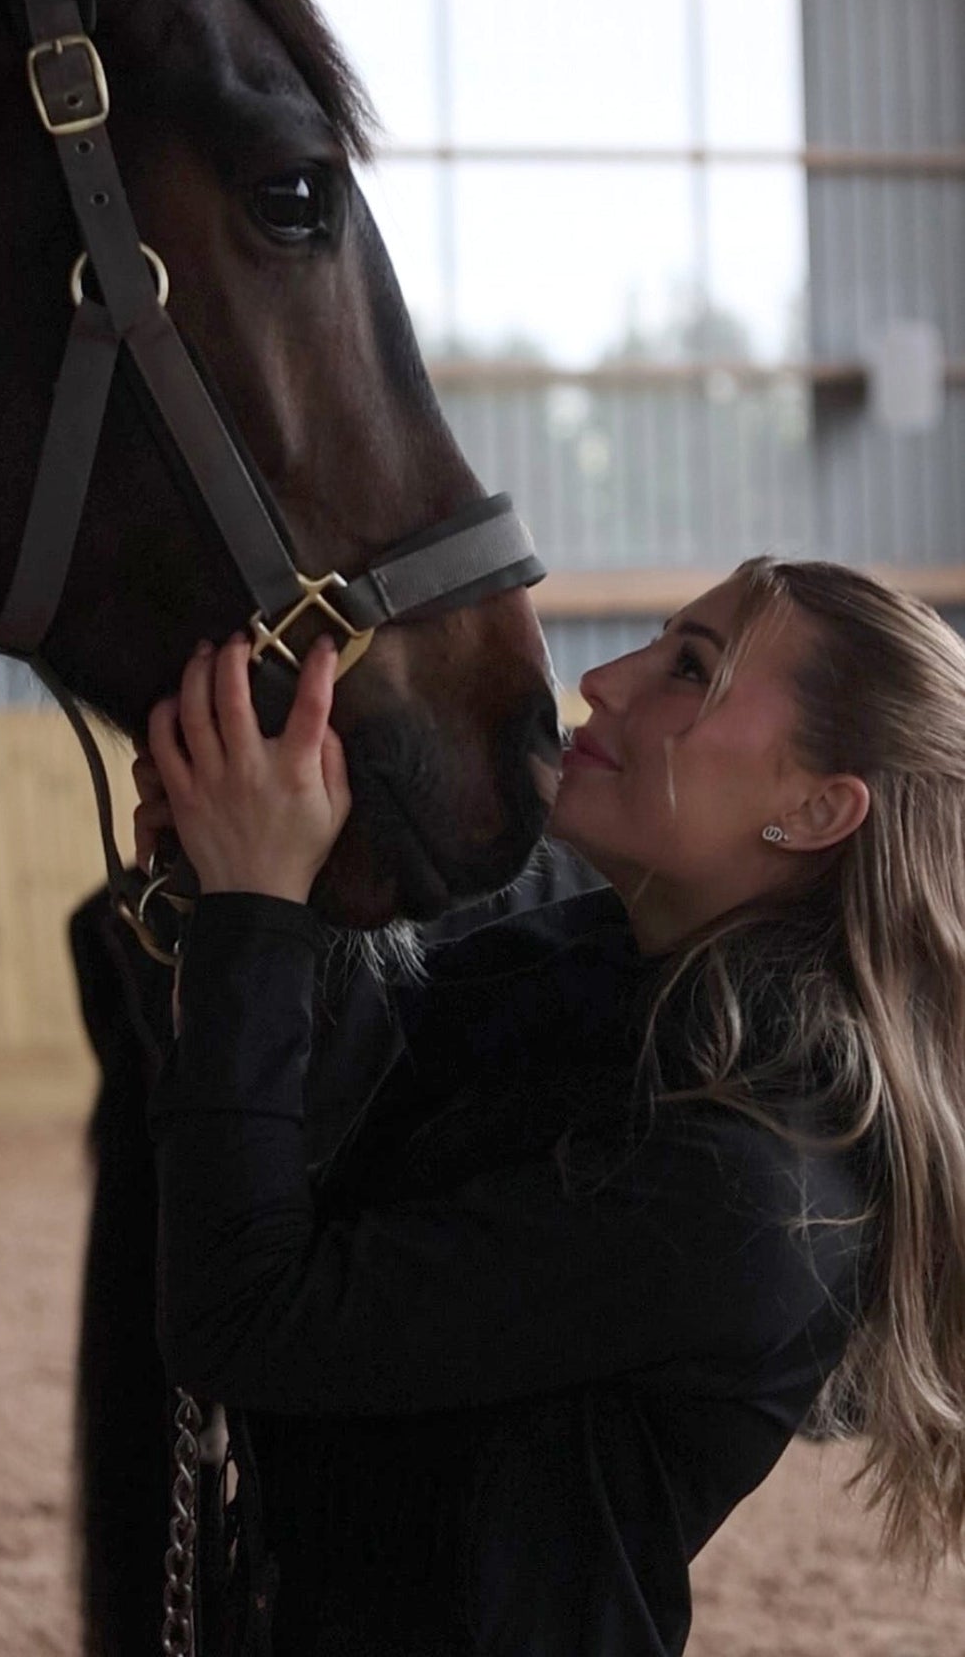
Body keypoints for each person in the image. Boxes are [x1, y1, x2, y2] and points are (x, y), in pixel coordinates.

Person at [124, 556, 965, 1656]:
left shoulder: (747, 1182)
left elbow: (244, 1316)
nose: (604, 679)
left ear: (814, 808)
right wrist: (247, 897)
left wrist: (254, 913)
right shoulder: (590, 981)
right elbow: (328, 1132)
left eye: (688, 669)